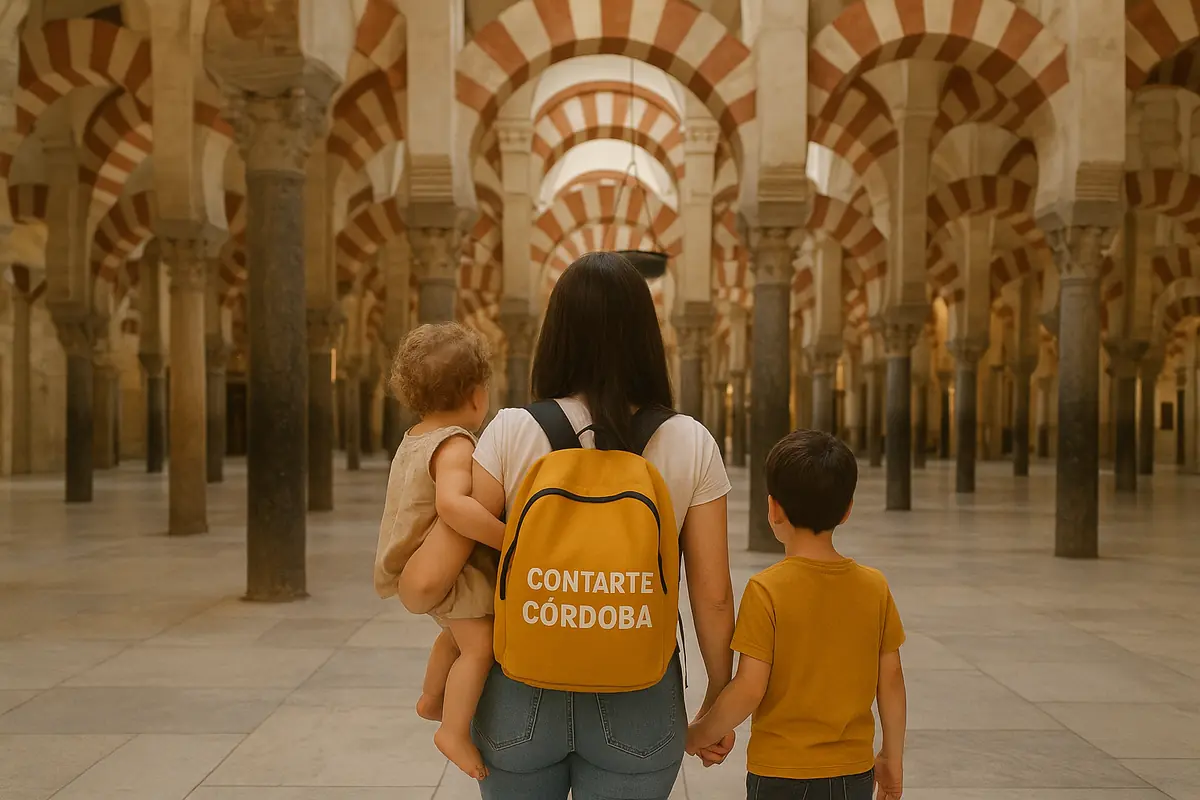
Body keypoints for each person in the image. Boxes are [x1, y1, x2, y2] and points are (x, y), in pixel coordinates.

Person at [396, 251, 737, 800]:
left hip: (518, 692)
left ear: (554, 337)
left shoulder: (509, 431)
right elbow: (714, 598)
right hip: (642, 697)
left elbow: (441, 575)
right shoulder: (690, 440)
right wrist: (718, 697)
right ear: (646, 337)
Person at [685, 429, 907, 800]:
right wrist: (891, 757)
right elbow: (893, 680)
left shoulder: (767, 590)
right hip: (853, 773)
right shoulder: (875, 587)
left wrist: (699, 735)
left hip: (780, 774)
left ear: (773, 509)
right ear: (848, 509)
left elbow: (749, 687)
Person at [373, 322, 506, 781]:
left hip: (417, 565)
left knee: (453, 635)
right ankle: (452, 729)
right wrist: (509, 539)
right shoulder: (454, 444)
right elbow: (453, 506)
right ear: (475, 394)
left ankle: (431, 699)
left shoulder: (414, 438)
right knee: (480, 646)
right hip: (451, 573)